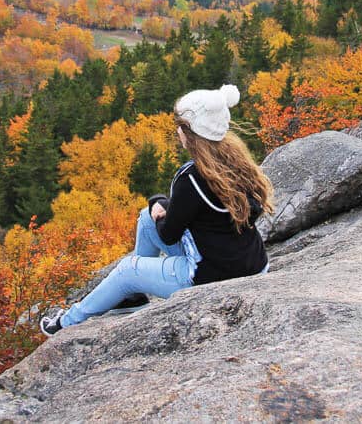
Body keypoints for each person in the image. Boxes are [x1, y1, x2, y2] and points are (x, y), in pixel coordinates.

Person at [41, 84, 274, 336]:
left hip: (213, 276)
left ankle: (66, 323)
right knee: (146, 218)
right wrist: (157, 205)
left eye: (180, 125)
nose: (177, 130)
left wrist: (159, 204)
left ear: (191, 133)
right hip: (251, 262)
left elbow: (168, 235)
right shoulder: (236, 162)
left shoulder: (192, 178)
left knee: (128, 269)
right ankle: (133, 297)